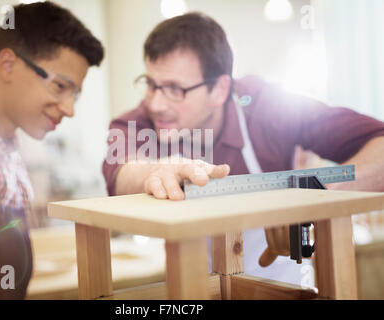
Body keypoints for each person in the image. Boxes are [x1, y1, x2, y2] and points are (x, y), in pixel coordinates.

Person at [102, 12, 384, 285]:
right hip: (194, 285)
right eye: (151, 84)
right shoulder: (138, 121)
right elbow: (121, 173)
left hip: (283, 281)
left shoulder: (270, 107)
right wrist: (156, 172)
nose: (156, 104)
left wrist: (315, 198)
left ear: (220, 89)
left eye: (176, 89)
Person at [0, 1, 103, 299]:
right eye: (60, 87)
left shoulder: (13, 158)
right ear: (8, 64)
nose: (69, 109)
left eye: (74, 94)